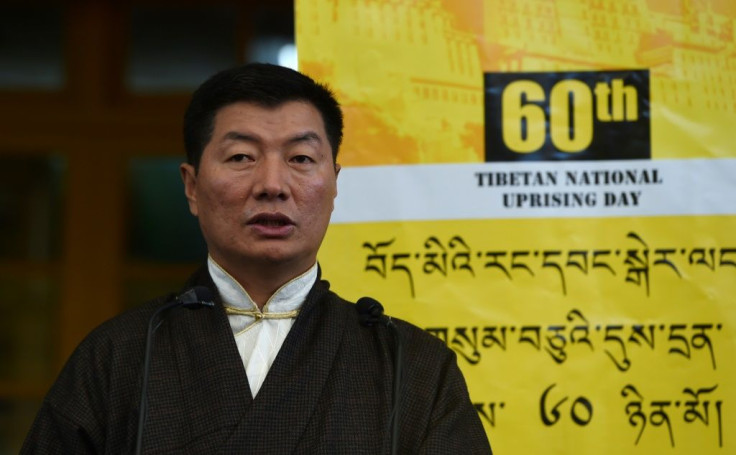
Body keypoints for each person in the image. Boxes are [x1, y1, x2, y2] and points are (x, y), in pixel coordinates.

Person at [22, 63, 492, 454]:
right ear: (191, 186)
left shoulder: (410, 364)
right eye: (242, 156)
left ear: (335, 183)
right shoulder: (120, 356)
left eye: (302, 159)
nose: (273, 183)